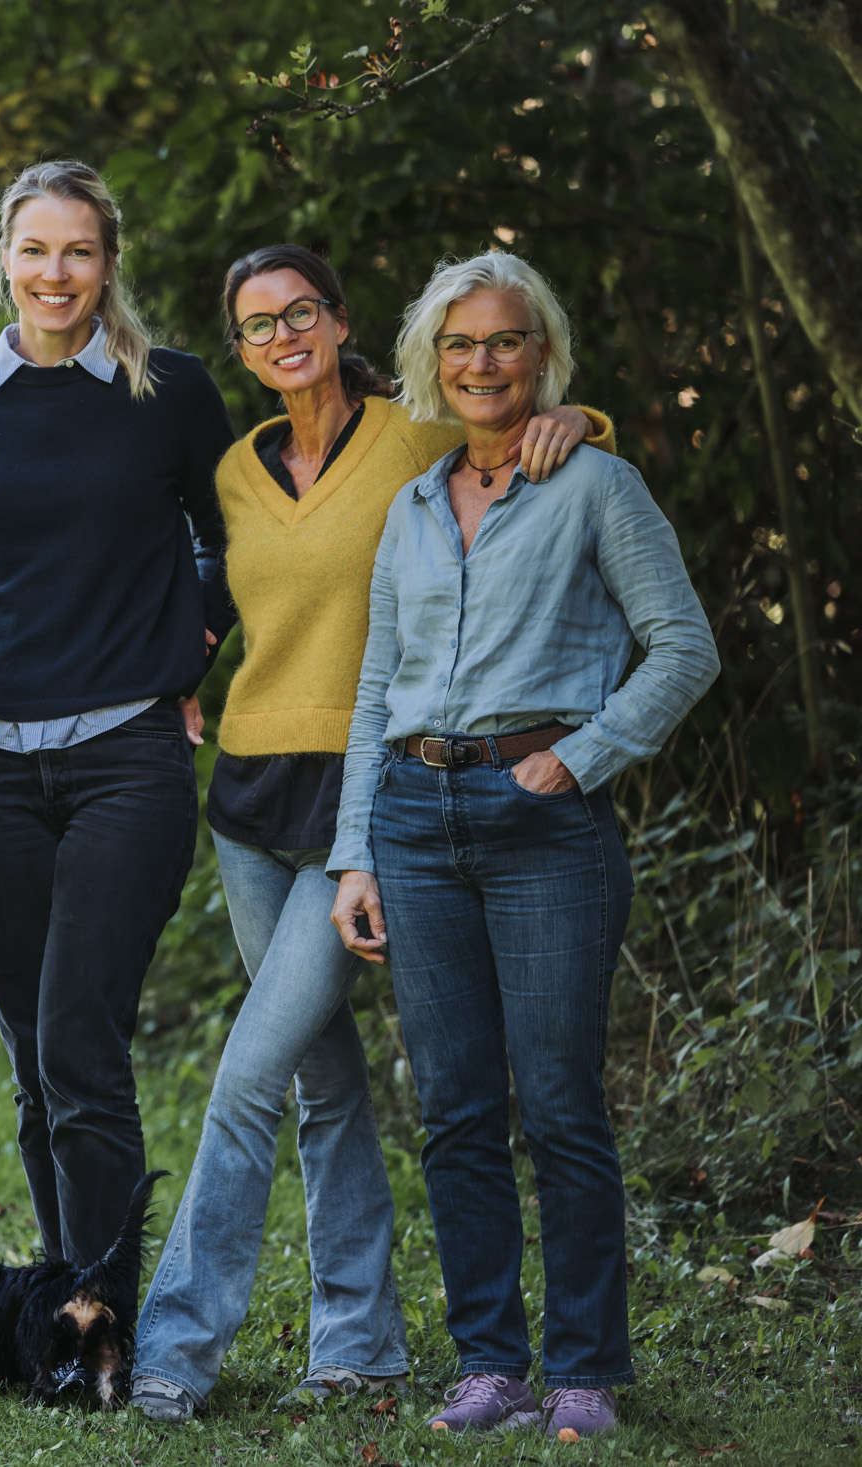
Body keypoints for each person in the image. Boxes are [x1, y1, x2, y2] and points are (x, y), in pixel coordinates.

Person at [130, 245, 613, 1422]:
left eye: (301, 312)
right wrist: (178, 666)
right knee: (318, 1078)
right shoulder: (236, 467)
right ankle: (359, 1343)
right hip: (249, 796)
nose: (283, 336)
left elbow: (513, 427)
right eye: (258, 324)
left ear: (341, 322)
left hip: (364, 803)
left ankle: (172, 1350)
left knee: (247, 1076)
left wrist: (580, 421)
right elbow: (197, 575)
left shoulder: (409, 438)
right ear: (239, 349)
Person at [327, 251, 717, 1440]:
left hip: (544, 821)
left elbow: (683, 645)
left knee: (557, 1106)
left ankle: (585, 1371)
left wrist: (584, 755)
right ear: (429, 363)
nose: (481, 362)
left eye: (503, 340)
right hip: (412, 817)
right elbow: (375, 688)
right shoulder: (410, 505)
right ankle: (490, 1366)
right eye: (458, 344)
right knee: (453, 1110)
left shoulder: (596, 484)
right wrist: (354, 852)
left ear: (540, 355)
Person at [0, 161, 228, 1341]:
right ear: (4, 258)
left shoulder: (170, 392)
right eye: (35, 250)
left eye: (78, 251)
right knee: (32, 1064)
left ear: (107, 264)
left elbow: (233, 535)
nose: (56, 273)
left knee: (80, 1050)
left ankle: (109, 1324)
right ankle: (63, 1315)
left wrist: (186, 647)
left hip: (125, 760)